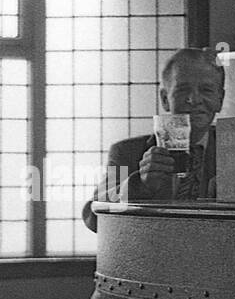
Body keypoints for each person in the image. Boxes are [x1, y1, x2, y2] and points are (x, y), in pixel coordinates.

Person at [81, 48, 226, 233]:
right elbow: (93, 217)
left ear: (220, 99)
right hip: (152, 255)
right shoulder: (128, 152)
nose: (194, 99)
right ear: (165, 99)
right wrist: (140, 185)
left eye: (206, 90)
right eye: (183, 90)